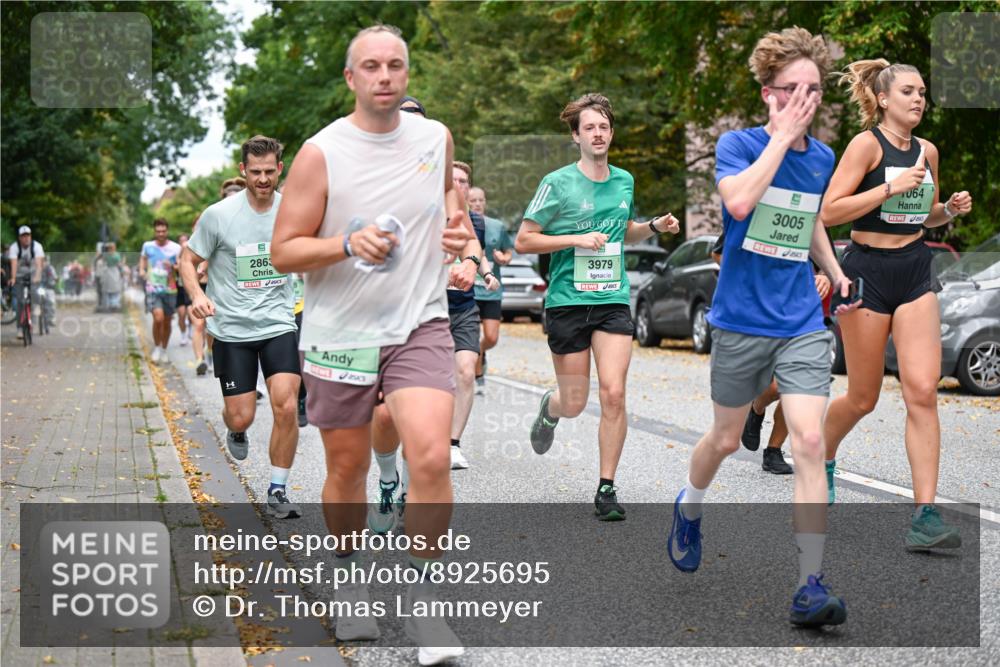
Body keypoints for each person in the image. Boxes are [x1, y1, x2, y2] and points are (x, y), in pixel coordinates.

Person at [270, 25, 474, 664]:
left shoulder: (435, 138)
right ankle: (349, 573)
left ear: (407, 75)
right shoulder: (320, 152)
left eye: (396, 66)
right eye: (371, 67)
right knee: (347, 470)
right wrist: (344, 244)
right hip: (341, 333)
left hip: (419, 322)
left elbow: (448, 203)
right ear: (351, 79)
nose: (384, 76)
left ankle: (426, 607)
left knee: (432, 459)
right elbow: (283, 250)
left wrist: (458, 237)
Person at [665, 27, 857, 628]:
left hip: (800, 317)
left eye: (815, 91)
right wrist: (780, 138)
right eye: (792, 90)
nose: (805, 101)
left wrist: (833, 270)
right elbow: (742, 204)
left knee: (807, 441)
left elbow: (807, 220)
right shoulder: (738, 144)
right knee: (724, 440)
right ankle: (690, 507)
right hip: (741, 319)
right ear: (768, 93)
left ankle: (809, 584)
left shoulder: (823, 158)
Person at [820, 59, 972, 549]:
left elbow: (922, 216)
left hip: (914, 270)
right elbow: (828, 211)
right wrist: (888, 186)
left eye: (922, 92)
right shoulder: (866, 144)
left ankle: (924, 515)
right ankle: (819, 454)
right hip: (868, 271)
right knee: (863, 397)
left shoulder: (928, 150)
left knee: (922, 391)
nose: (918, 99)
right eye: (908, 91)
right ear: (883, 99)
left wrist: (946, 210)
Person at [515, 93, 680, 521]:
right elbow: (525, 239)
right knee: (574, 401)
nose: (598, 133)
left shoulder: (624, 181)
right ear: (576, 136)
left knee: (614, 392)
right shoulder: (557, 183)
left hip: (610, 299)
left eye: (604, 126)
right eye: (589, 127)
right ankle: (549, 410)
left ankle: (606, 487)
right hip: (567, 301)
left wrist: (654, 226)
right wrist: (574, 239)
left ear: (611, 133)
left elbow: (625, 233)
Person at [181, 135, 302, 520]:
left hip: (278, 321)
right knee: (241, 415)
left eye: (269, 172)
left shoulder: (295, 210)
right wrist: (197, 295)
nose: (263, 179)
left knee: (285, 403)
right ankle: (235, 429)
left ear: (280, 169)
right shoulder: (219, 215)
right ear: (242, 171)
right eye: (255, 173)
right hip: (232, 329)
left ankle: (278, 489)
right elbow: (187, 260)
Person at [468, 186, 513, 393]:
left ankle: (480, 353)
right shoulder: (463, 225)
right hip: (468, 289)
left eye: (481, 200)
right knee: (473, 335)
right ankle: (477, 377)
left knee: (491, 337)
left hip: (492, 290)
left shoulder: (497, 226)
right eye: (473, 200)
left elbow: (508, 252)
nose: (477, 204)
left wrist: (503, 259)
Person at [139, 219, 182, 364]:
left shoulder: (176, 248)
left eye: (163, 231)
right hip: (153, 288)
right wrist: (141, 270)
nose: (161, 234)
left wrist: (172, 266)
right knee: (158, 318)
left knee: (167, 321)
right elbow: (143, 259)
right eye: (158, 231)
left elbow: (181, 266)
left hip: (170, 289)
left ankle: (164, 349)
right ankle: (157, 347)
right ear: (154, 232)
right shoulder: (148, 246)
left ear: (167, 231)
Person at [8, 225, 45, 338]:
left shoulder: (37, 246)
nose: (26, 238)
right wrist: (13, 278)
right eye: (23, 236)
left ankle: (34, 316)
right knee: (20, 302)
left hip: (33, 274)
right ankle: (19, 328)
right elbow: (13, 264)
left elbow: (39, 265)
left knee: (35, 294)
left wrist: (37, 277)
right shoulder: (14, 247)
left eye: (28, 235)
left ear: (30, 236)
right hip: (19, 275)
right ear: (19, 238)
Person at [175, 234, 192, 347]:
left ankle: (190, 329)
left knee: (191, 314)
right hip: (180, 289)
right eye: (181, 241)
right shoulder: (176, 256)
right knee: (181, 314)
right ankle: (183, 334)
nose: (183, 243)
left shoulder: (192, 255)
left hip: (190, 289)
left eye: (185, 241)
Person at [100, 242, 124, 312]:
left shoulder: (105, 255)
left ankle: (108, 305)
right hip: (115, 271)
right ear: (114, 248)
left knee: (108, 290)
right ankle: (114, 304)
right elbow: (119, 265)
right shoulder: (117, 255)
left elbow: (103, 262)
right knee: (116, 290)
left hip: (107, 272)